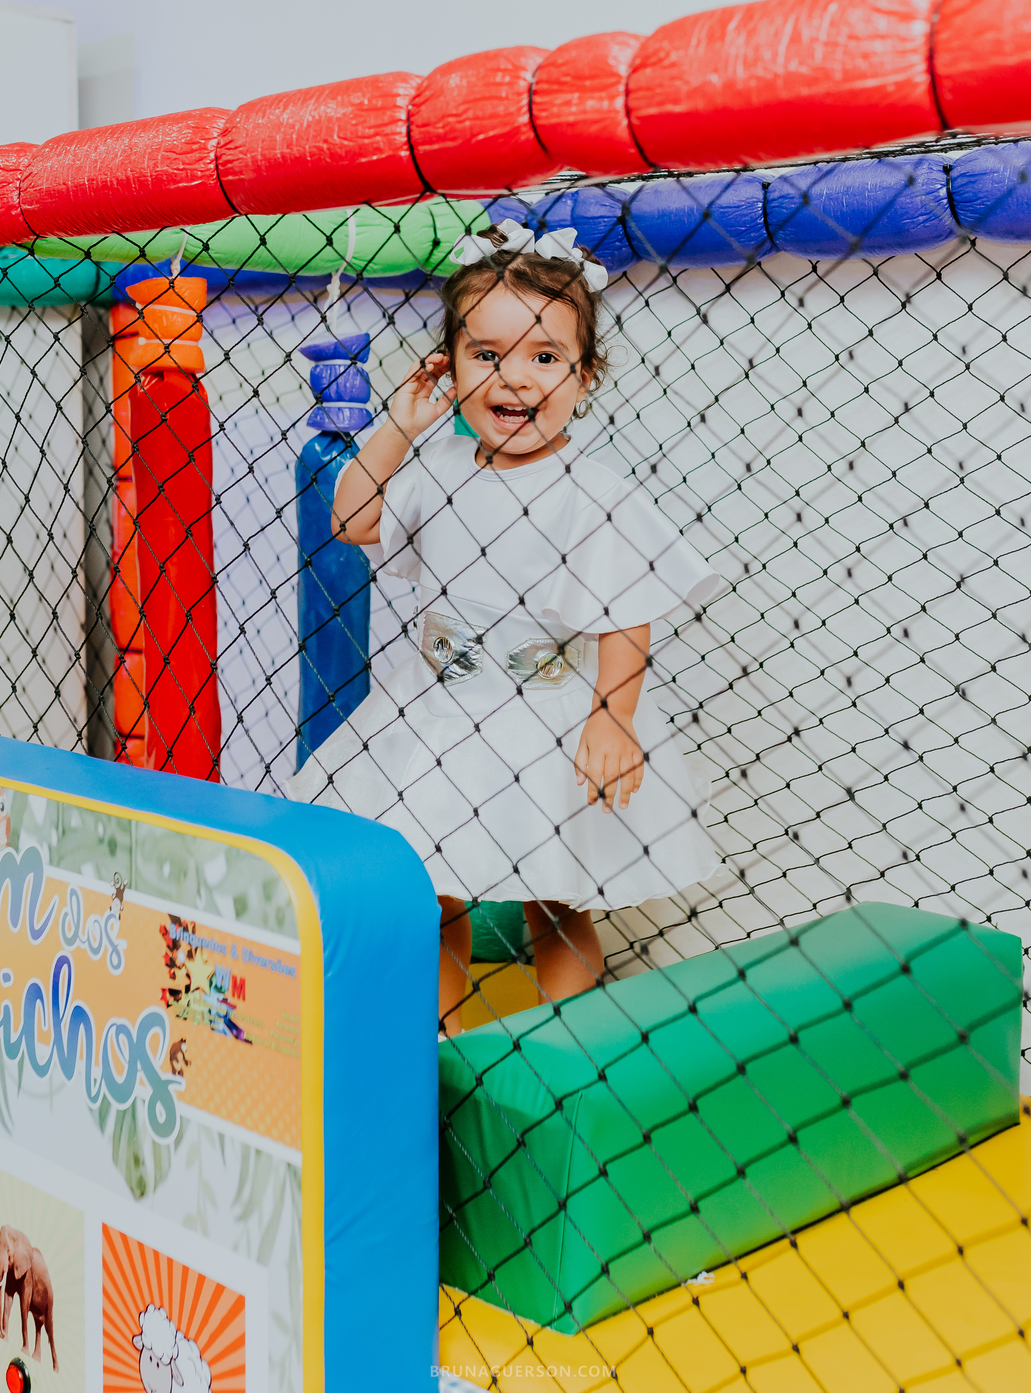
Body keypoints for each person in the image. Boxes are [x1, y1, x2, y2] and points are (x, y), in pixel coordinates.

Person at [286, 221, 723, 1033]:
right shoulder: (438, 467)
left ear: (584, 378)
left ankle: (570, 1059)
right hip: (437, 713)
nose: (513, 378)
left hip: (545, 718)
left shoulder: (592, 491)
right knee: (427, 887)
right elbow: (349, 520)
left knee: (555, 899)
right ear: (448, 367)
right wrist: (401, 426)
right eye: (485, 354)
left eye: (543, 357)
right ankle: (435, 1045)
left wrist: (612, 719)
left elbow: (628, 608)